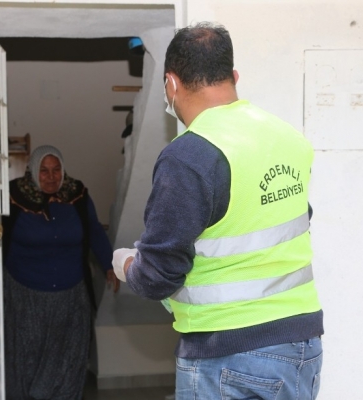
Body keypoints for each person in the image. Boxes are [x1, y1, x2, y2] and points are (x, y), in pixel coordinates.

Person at [112, 23, 324, 400]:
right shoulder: (288, 137)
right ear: (234, 77)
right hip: (300, 346)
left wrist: (126, 263)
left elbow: (159, 276)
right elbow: (292, 219)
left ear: (171, 84)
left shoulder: (189, 156)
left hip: (226, 353)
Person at [3, 145, 119, 400]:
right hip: (25, 295)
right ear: (33, 170)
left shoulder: (76, 194)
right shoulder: (14, 195)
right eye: (44, 171)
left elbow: (94, 229)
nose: (51, 177)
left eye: (56, 170)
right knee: (27, 357)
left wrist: (110, 263)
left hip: (71, 295)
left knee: (68, 357)